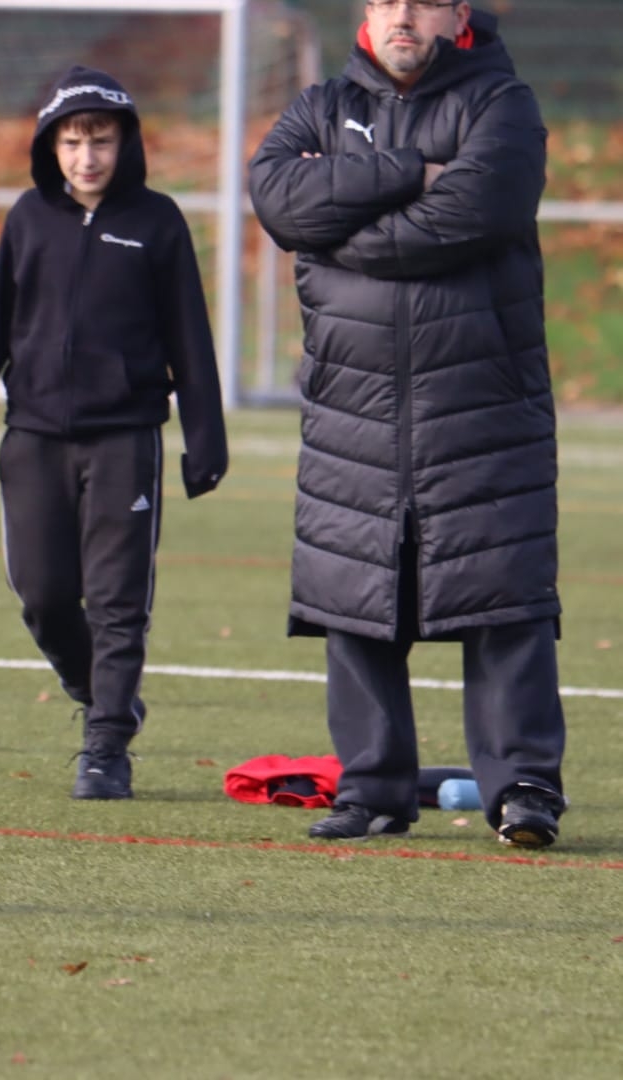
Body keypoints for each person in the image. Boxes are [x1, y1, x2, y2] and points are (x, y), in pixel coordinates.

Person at [248, 1, 565, 848]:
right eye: (387, 0)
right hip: (352, 404)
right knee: (356, 595)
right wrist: (409, 172)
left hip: (481, 400)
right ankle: (373, 791)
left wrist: (341, 223)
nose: (402, 17)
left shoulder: (503, 105)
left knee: (500, 595)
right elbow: (278, 199)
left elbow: (470, 212)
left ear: (455, 14)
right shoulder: (318, 107)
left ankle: (524, 787)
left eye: (421, 1)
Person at [0, 65, 228, 802]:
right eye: (72, 142)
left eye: (100, 140)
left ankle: (106, 745)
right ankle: (99, 692)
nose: (87, 157)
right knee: (43, 594)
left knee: (116, 601)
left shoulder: (158, 222)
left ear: (124, 143)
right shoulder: (27, 219)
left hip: (125, 441)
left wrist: (206, 443)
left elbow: (190, 339)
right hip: (33, 439)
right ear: (52, 147)